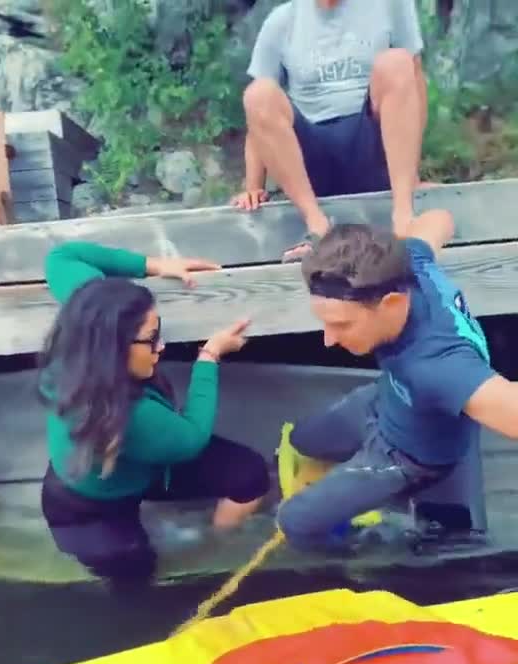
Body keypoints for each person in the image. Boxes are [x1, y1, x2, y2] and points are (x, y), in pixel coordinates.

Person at [276, 209, 517, 549]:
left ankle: (351, 562)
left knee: (294, 522)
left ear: (390, 304)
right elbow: (440, 218)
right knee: (300, 440)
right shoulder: (411, 263)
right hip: (388, 397)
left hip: (406, 456)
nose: (328, 340)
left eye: (342, 325)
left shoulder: (439, 366)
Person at [39, 241, 270, 585]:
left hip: (136, 465)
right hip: (85, 506)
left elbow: (62, 257)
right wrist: (209, 357)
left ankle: (217, 547)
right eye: (151, 339)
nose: (161, 346)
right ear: (111, 349)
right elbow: (192, 437)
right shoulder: (134, 415)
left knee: (248, 474)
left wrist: (155, 265)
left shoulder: (89, 316)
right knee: (134, 573)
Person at [232, 0, 426, 261]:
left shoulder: (391, 5)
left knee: (398, 62)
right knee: (258, 92)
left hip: (370, 143)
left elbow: (415, 83)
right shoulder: (281, 21)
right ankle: (317, 225)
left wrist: (412, 174)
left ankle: (403, 217)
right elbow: (258, 114)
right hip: (312, 155)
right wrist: (253, 186)